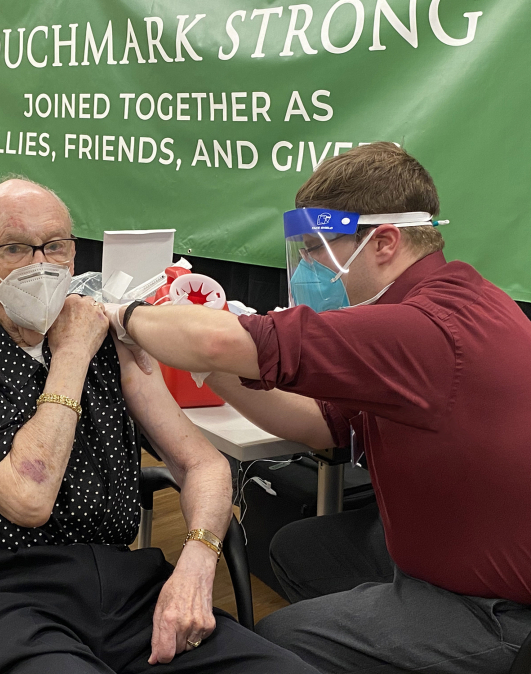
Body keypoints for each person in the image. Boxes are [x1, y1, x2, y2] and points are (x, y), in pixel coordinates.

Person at [106, 142, 531, 673]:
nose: (308, 266)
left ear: (384, 242)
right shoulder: (459, 297)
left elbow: (218, 341)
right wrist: (213, 373)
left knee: (283, 635)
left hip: (499, 607)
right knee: (298, 550)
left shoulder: (422, 328)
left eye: (317, 249)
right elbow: (321, 427)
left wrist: (123, 314)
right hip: (456, 547)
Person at [0, 176, 318, 674]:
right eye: (15, 249)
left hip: (123, 585)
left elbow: (202, 464)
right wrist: (72, 353)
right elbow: (29, 499)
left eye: (55, 246)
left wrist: (197, 563)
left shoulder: (108, 340)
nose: (41, 264)